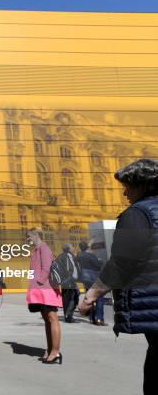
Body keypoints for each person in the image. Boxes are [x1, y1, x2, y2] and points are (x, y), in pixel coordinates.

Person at [79, 159, 158, 395]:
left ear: (143, 186)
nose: (125, 193)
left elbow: (123, 263)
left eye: (128, 186)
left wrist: (91, 294)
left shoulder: (137, 215)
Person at [26, 227, 63, 364]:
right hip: (40, 289)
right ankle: (49, 349)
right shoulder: (35, 250)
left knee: (52, 318)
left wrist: (39, 282)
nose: (27, 238)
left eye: (29, 236)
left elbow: (46, 268)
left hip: (47, 289)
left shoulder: (44, 248)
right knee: (47, 319)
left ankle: (55, 351)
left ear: (36, 235)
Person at [75, 240, 106, 325]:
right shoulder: (90, 256)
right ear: (87, 247)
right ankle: (99, 318)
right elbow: (99, 265)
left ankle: (91, 318)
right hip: (92, 279)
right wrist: (100, 260)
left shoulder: (78, 256)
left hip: (83, 279)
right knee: (99, 297)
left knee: (88, 298)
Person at [58, 243, 81, 323]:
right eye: (71, 247)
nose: (73, 248)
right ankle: (68, 316)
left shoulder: (70, 256)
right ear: (68, 248)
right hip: (68, 280)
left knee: (69, 297)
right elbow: (67, 270)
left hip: (71, 280)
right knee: (70, 298)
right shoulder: (64, 256)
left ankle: (68, 315)